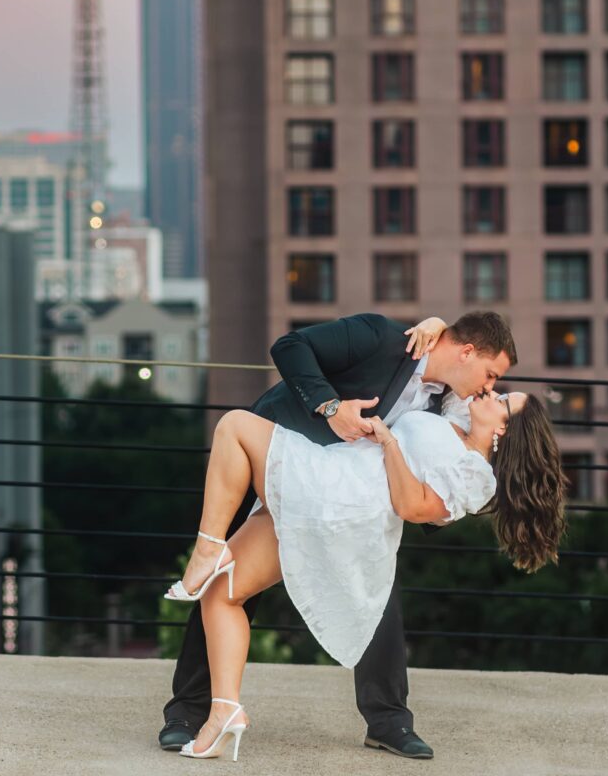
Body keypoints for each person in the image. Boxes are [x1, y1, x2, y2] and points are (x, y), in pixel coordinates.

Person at [159, 311, 518, 759]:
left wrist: (441, 323)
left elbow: (506, 417)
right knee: (221, 580)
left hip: (349, 503)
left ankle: (388, 722)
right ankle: (188, 713)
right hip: (272, 458)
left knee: (377, 592)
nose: (489, 387)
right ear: (466, 351)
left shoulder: (448, 402)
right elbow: (290, 348)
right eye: (490, 374)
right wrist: (330, 407)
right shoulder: (382, 337)